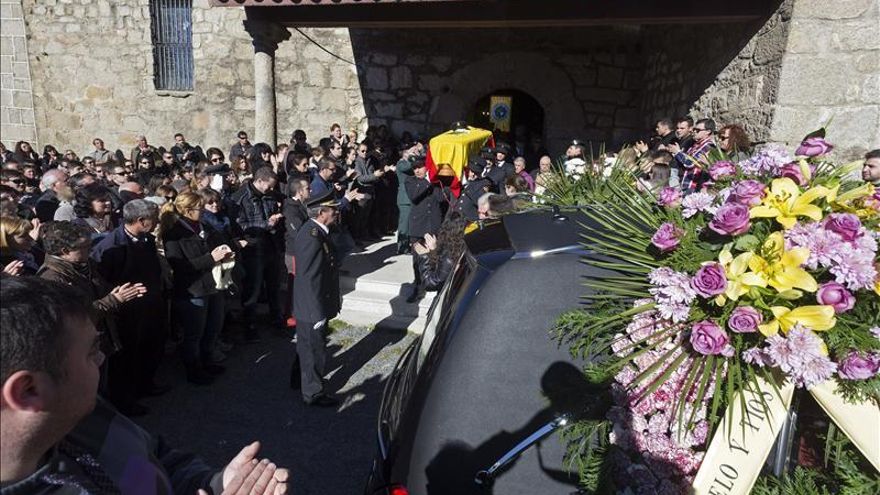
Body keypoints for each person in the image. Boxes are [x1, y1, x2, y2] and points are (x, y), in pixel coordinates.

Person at [0, 276, 291, 494]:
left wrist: (217, 481)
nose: (102, 358)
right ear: (28, 391)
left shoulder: (82, 415)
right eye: (90, 352)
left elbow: (156, 461)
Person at [91, 199, 167, 416]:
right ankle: (126, 400)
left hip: (151, 303)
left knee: (151, 345)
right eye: (154, 219)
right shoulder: (111, 247)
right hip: (127, 310)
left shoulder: (146, 239)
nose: (158, 222)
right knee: (128, 355)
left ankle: (147, 384)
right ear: (141, 221)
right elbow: (102, 281)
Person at [160, 192, 234, 385]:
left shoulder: (204, 226)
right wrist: (212, 258)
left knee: (213, 327)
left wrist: (225, 252)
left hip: (214, 284)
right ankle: (193, 369)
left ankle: (207, 360)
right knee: (194, 333)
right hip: (192, 290)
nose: (202, 211)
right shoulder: (173, 233)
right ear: (187, 210)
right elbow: (181, 266)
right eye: (199, 208)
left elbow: (217, 245)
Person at [290, 191, 342, 407]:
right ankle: (313, 393)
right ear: (322, 213)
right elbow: (310, 278)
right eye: (334, 210)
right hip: (311, 305)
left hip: (313, 302)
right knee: (314, 349)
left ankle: (298, 380)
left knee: (306, 344)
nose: (337, 213)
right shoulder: (312, 236)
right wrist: (317, 312)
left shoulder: (318, 232)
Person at [228, 167, 284, 335]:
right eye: (269, 186)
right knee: (253, 287)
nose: (271, 190)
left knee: (274, 286)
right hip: (253, 248)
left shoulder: (270, 195)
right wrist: (266, 224)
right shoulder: (240, 198)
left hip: (271, 245)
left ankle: (276, 317)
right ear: (259, 181)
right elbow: (238, 225)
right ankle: (250, 324)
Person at [405, 159, 445, 302]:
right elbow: (414, 196)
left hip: (433, 225)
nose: (417, 170)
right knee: (418, 261)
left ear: (427, 168)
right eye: (414, 168)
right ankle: (418, 287)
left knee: (436, 257)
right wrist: (429, 181)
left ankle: (436, 286)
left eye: (420, 167)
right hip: (418, 227)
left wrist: (436, 181)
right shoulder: (410, 181)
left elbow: (441, 198)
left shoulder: (435, 182)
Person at [412, 214, 468, 291]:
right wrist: (434, 249)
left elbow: (429, 284)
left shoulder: (449, 257)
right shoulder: (460, 248)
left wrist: (423, 256)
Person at [282, 178, 310, 326]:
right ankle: (291, 317)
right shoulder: (291, 209)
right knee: (294, 285)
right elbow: (298, 232)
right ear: (299, 191)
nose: (309, 191)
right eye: (307, 188)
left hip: (300, 252)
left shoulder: (300, 206)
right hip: (294, 252)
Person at [668, 118, 716, 194]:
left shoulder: (708, 146)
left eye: (698, 130)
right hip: (685, 183)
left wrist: (677, 152)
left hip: (692, 186)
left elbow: (691, 163)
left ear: (708, 132)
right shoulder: (695, 145)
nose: (694, 132)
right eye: (694, 129)